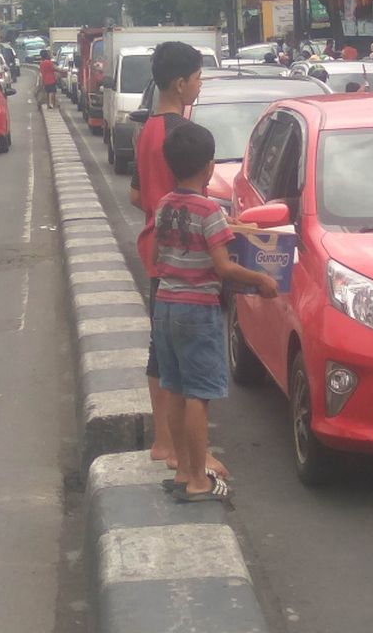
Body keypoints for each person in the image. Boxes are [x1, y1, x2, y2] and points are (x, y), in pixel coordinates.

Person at [151, 123, 278, 502]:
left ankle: (182, 472)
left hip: (165, 306)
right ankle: (197, 482)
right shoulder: (208, 210)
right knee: (198, 396)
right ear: (208, 167)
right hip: (197, 310)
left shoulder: (164, 206)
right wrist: (259, 280)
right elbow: (223, 267)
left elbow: (160, 255)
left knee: (173, 388)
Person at [130, 42, 231, 479]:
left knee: (162, 354)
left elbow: (137, 194)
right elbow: (192, 202)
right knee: (191, 369)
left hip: (157, 252)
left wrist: (159, 216)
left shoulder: (149, 129)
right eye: (197, 77)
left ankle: (163, 441)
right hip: (186, 262)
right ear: (179, 82)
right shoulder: (179, 134)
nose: (199, 84)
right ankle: (186, 454)